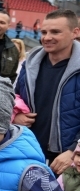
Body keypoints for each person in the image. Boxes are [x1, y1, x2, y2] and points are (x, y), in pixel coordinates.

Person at [14, 9, 80, 173]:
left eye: (55, 32)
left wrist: (73, 150)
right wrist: (15, 115)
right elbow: (14, 96)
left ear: (75, 33)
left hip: (66, 160)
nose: (47, 37)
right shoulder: (29, 63)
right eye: (44, 32)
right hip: (27, 151)